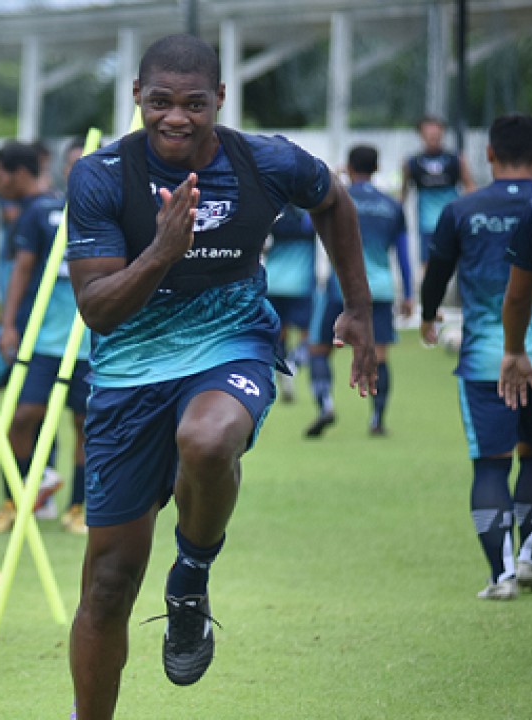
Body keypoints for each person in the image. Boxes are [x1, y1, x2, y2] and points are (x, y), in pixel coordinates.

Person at [64, 34, 376, 717]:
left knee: (207, 442)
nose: (177, 118)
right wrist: (161, 252)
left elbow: (333, 200)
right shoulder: (100, 174)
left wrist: (357, 308)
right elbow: (97, 312)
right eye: (161, 102)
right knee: (109, 585)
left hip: (229, 342)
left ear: (220, 101)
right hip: (129, 373)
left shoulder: (265, 161)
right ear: (137, 98)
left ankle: (191, 579)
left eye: (194, 103)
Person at [426, 113, 532, 600]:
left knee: (490, 467)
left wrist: (428, 315)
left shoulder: (461, 209)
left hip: (486, 360)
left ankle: (502, 575)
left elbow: (438, 270)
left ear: (489, 155)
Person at [0, 139, 93, 535]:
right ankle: (24, 494)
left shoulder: (113, 213)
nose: (79, 172)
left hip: (88, 341)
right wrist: (9, 323)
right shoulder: (47, 214)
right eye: (73, 165)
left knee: (86, 425)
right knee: (21, 417)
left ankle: (79, 508)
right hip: (43, 339)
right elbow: (21, 269)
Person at [304, 145, 413, 438]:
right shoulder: (392, 206)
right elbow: (402, 254)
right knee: (378, 356)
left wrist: (334, 179)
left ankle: (326, 404)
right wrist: (410, 294)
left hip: (341, 288)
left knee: (318, 349)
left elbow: (306, 222)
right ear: (376, 169)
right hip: (380, 290)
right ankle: (377, 419)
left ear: (349, 167)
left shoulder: (337, 199)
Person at [402, 115, 476, 267]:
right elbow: (404, 193)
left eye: (436, 133)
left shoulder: (456, 159)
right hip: (427, 223)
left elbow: (470, 186)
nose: (433, 137)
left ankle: (458, 290)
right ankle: (429, 290)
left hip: (453, 220)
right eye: (429, 134)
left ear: (442, 133)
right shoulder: (412, 162)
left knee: (460, 260)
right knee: (428, 263)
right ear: (421, 135)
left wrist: (469, 210)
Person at [262, 204, 317, 402]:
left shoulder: (274, 213)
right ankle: (292, 364)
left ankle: (282, 367)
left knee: (279, 333)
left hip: (274, 282)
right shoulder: (308, 216)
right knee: (307, 334)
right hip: (301, 284)